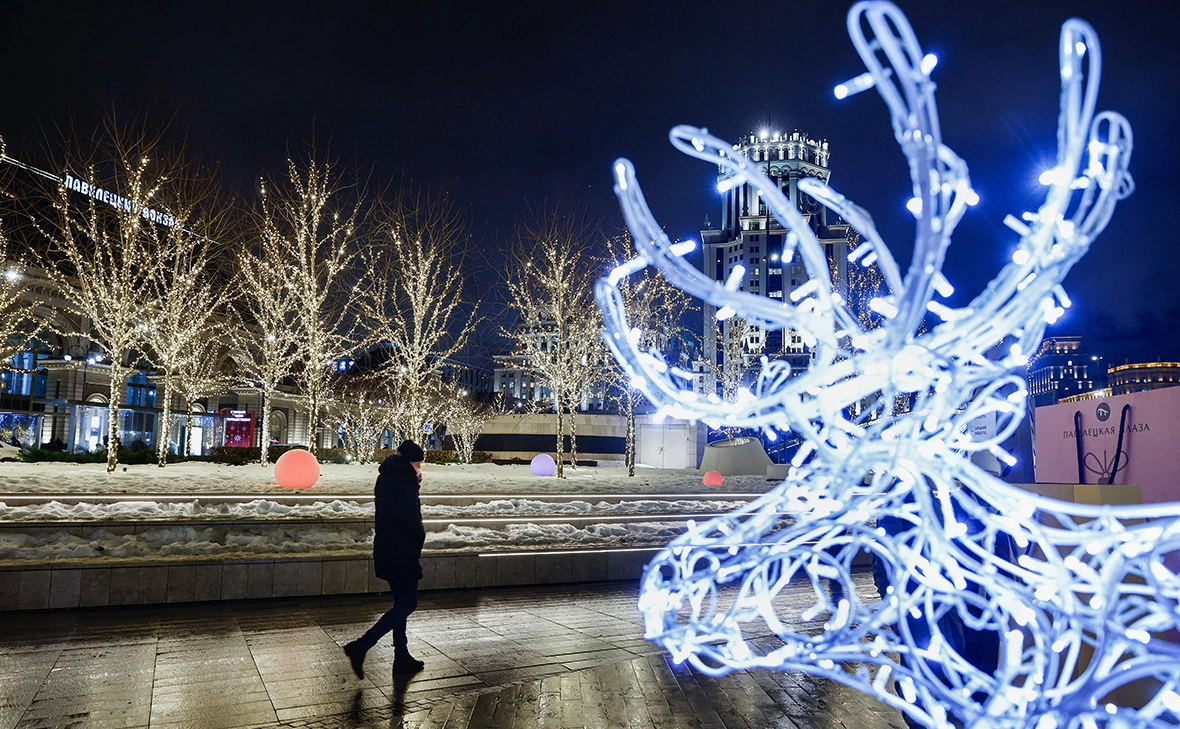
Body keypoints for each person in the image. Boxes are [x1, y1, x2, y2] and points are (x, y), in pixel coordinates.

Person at [344, 440, 427, 678]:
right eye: (418, 463)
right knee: (408, 603)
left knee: (400, 602)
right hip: (402, 549)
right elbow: (409, 516)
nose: (420, 468)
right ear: (411, 462)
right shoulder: (405, 480)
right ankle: (362, 645)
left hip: (387, 547)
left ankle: (401, 655)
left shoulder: (387, 476)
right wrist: (419, 537)